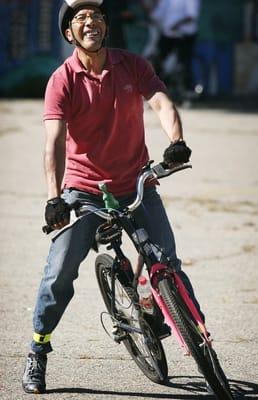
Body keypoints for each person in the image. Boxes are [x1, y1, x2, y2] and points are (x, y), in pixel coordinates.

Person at [22, 0, 203, 394]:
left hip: (134, 181)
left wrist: (177, 141)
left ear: (106, 26)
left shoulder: (132, 64)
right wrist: (55, 198)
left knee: (167, 263)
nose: (91, 21)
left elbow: (160, 101)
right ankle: (38, 348)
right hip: (83, 190)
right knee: (60, 273)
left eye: (97, 16)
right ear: (70, 33)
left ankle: (197, 336)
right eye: (80, 18)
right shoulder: (62, 79)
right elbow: (53, 143)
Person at [150, 0, 201, 99]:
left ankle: (187, 91)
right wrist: (151, 18)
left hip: (185, 34)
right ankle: (156, 88)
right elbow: (159, 13)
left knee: (184, 63)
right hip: (168, 34)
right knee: (157, 58)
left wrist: (176, 24)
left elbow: (191, 16)